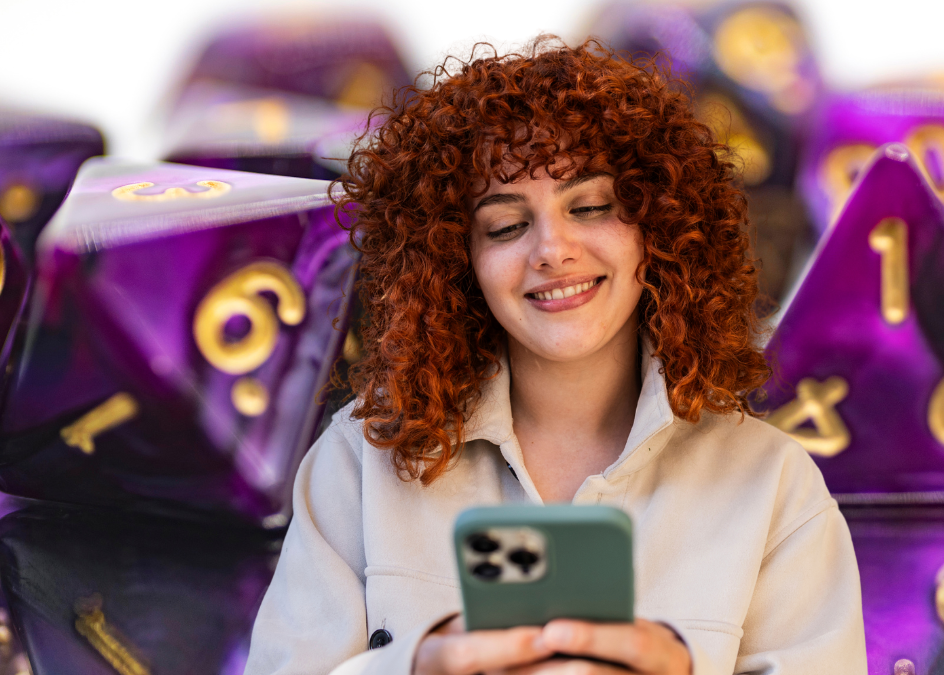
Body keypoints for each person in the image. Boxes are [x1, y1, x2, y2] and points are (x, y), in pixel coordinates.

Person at [245, 37, 866, 675]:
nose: (552, 249)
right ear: (455, 261)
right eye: (506, 226)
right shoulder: (360, 464)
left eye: (591, 207)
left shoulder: (771, 483)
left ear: (660, 229)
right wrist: (421, 666)